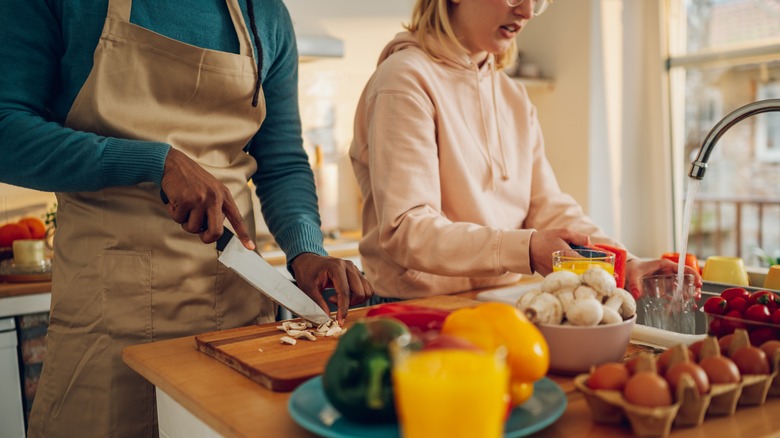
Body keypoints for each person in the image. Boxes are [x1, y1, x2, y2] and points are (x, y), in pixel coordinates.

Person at [0, 0, 373, 435]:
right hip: (109, 325)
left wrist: (306, 250)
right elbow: (6, 129)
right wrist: (154, 162)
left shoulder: (266, 15)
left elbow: (283, 161)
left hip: (238, 320)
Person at [349, 0, 701, 303]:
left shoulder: (512, 96)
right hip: (414, 308)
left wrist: (622, 260)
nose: (528, 12)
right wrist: (527, 249)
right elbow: (406, 229)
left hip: (494, 302)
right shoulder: (404, 80)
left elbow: (546, 205)